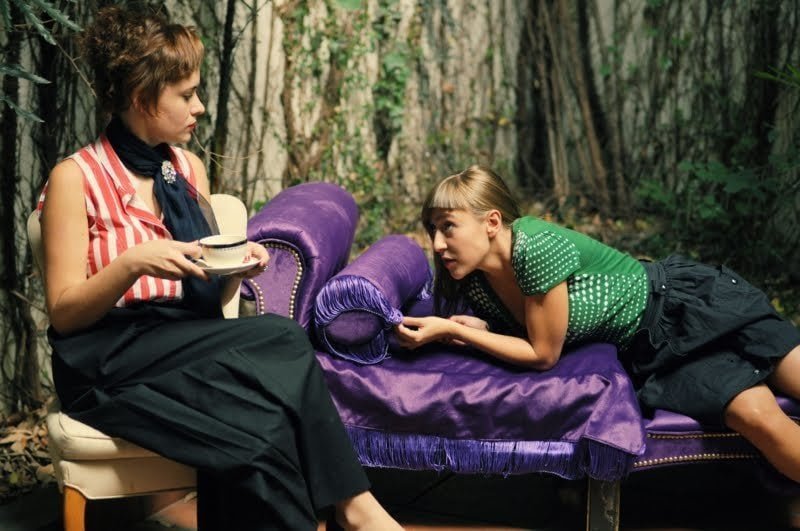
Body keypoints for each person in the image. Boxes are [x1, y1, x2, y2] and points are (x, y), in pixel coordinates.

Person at [38, 6, 402, 531]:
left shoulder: (186, 169)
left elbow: (204, 275)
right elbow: (64, 313)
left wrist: (237, 266)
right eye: (186, 95)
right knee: (282, 337)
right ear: (142, 98)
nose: (200, 107)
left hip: (184, 342)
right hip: (108, 358)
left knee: (262, 434)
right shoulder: (76, 177)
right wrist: (132, 264)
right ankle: (359, 510)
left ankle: (350, 511)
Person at [395, 164, 800, 483]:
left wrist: (455, 330)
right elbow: (536, 331)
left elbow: (543, 354)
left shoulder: (534, 246)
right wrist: (484, 331)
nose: (437, 243)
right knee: (756, 416)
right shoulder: (477, 283)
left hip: (684, 306)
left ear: (492, 222)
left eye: (448, 226)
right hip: (654, 354)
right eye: (433, 230)